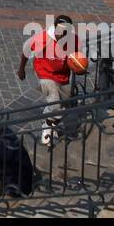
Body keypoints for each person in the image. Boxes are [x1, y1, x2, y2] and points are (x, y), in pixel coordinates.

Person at [18, 15, 79, 145]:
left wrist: (79, 67)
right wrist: (21, 69)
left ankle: (50, 122)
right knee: (55, 103)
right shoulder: (43, 38)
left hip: (62, 75)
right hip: (44, 73)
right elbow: (26, 50)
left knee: (65, 105)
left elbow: (77, 58)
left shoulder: (74, 40)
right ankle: (47, 125)